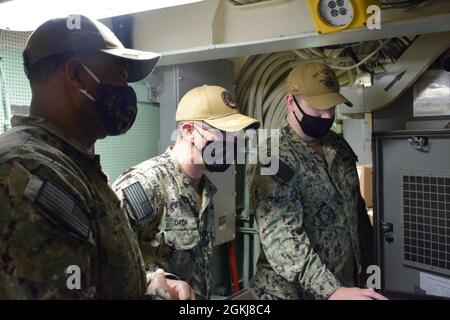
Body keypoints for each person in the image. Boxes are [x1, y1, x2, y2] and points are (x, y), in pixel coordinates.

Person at [0, 15, 193, 300]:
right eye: (119, 74)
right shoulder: (31, 174)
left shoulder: (71, 166)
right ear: (77, 75)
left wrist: (148, 281)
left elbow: (90, 274)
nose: (126, 89)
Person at [249, 63, 387, 300]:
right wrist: (332, 290)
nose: (327, 115)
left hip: (344, 285)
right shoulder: (272, 157)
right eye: (318, 107)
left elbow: (356, 211)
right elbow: (283, 241)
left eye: (332, 107)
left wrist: (369, 268)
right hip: (295, 293)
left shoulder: (338, 146)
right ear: (290, 102)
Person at [112, 85, 259, 299]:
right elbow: (103, 263)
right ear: (188, 130)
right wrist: (155, 280)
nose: (231, 142)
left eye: (234, 134)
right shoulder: (145, 186)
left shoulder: (205, 190)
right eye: (223, 133)